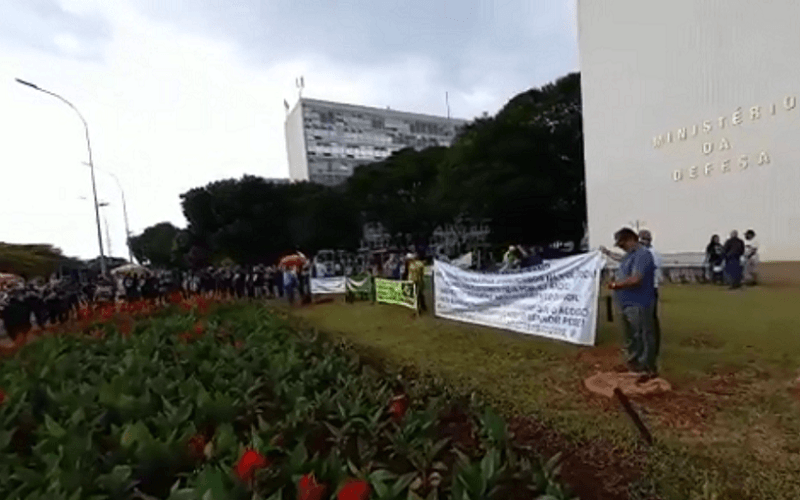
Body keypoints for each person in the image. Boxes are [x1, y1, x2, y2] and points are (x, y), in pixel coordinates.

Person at [601, 228, 657, 381]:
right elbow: (619, 260)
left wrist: (616, 285)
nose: (620, 247)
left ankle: (646, 367)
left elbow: (636, 279)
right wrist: (606, 253)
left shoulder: (643, 254)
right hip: (624, 303)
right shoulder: (629, 255)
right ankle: (633, 365)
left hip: (639, 302)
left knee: (642, 335)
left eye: (622, 243)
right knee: (630, 336)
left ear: (631, 239)